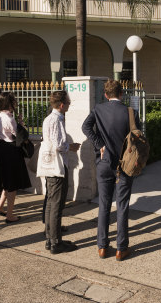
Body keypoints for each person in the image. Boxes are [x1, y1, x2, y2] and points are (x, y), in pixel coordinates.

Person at [82, 80, 140, 261]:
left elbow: (85, 127)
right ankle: (121, 249)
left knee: (104, 205)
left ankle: (102, 246)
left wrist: (99, 144)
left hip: (104, 162)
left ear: (106, 95)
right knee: (122, 205)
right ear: (122, 94)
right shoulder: (130, 112)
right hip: (125, 164)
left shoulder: (98, 109)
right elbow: (138, 137)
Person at [42, 91, 81, 254]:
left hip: (50, 166)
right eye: (68, 102)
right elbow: (58, 145)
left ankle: (50, 238)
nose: (70, 105)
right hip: (57, 166)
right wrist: (70, 147)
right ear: (62, 104)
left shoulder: (48, 119)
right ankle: (56, 242)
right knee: (57, 203)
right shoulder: (56, 120)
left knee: (51, 202)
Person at [0, 92, 31, 223]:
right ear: (9, 103)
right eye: (13, 101)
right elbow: (18, 134)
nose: (15, 103)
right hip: (11, 150)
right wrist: (21, 124)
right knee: (13, 184)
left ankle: (0, 207)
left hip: (2, 148)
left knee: (7, 181)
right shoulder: (9, 118)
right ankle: (10, 214)